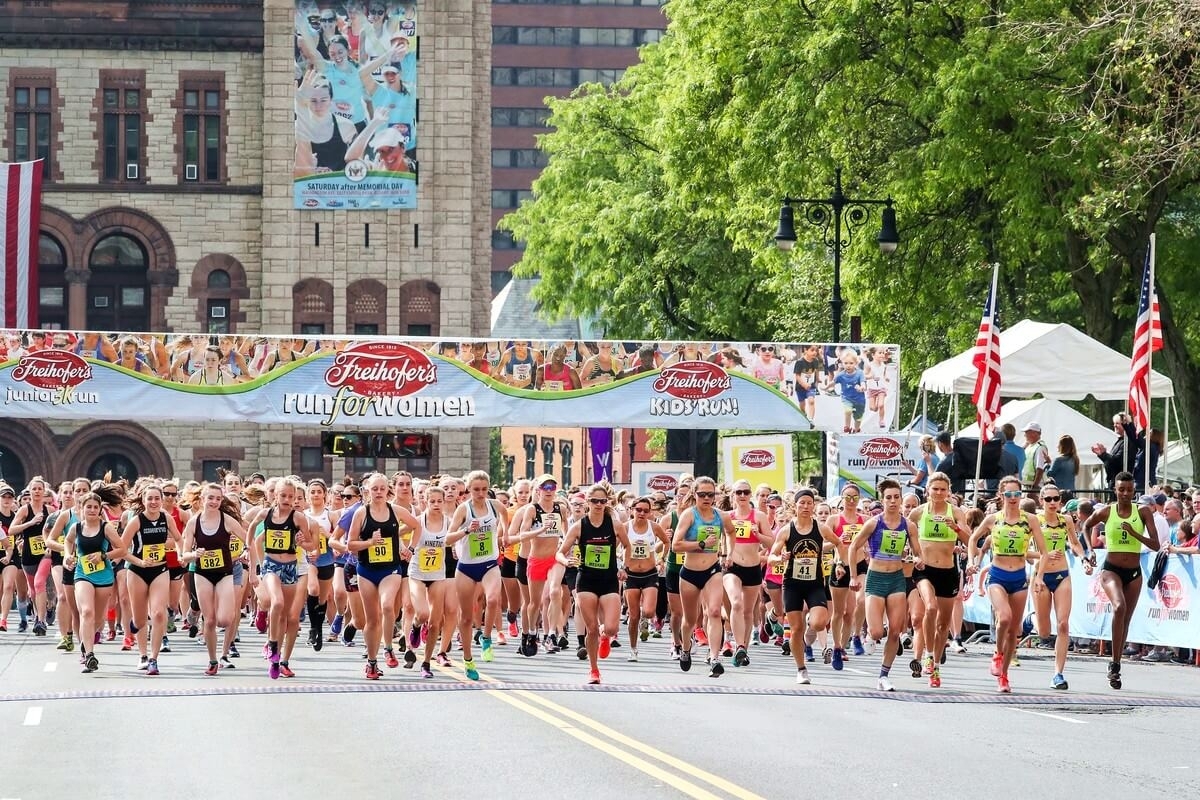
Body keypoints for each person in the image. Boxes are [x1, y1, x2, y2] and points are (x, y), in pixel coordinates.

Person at [1079, 471, 1160, 689]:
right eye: (1121, 489)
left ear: (1135, 491)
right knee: (1118, 606)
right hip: (1111, 569)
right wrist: (1090, 550)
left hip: (1134, 573)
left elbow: (1155, 545)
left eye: (1129, 490)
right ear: (1115, 490)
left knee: (1125, 619)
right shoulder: (1106, 511)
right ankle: (1114, 664)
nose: (1125, 493)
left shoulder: (1142, 511)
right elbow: (1086, 525)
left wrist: (1135, 534)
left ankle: (1116, 663)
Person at [969, 475, 1047, 693]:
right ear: (1001, 495)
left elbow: (1044, 552)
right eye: (1009, 494)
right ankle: (997, 652)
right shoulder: (993, 519)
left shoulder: (1030, 520)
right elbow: (973, 539)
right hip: (998, 575)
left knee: (1015, 629)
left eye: (1017, 494)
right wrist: (972, 560)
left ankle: (1003, 676)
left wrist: (1039, 576)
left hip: (1020, 577)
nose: (1013, 498)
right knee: (1004, 617)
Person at [848, 480, 923, 692]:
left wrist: (918, 559)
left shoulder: (908, 525)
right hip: (875, 578)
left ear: (900, 499)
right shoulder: (874, 523)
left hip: (897, 579)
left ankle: (884, 674)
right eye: (888, 497)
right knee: (877, 631)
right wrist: (854, 576)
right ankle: (869, 636)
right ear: (883, 500)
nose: (892, 501)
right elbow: (854, 547)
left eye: (896, 497)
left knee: (895, 631)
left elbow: (918, 551)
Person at [345, 473, 420, 679]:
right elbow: (350, 545)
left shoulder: (396, 511)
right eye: (374, 489)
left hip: (390, 569)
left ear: (388, 490)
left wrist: (410, 548)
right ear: (367, 491)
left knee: (387, 606)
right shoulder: (361, 513)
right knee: (372, 619)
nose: (378, 492)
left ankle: (387, 647)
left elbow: (416, 526)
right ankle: (372, 662)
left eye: (382, 489)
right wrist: (369, 543)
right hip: (367, 570)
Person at [768, 488, 846, 684]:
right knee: (796, 629)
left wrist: (839, 563)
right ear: (795, 506)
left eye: (809, 503)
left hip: (814, 583)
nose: (805, 506)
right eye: (801, 503)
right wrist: (779, 558)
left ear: (813, 505)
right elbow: (771, 557)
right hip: (792, 584)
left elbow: (839, 544)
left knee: (819, 622)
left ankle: (812, 615)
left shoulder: (820, 528)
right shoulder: (787, 530)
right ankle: (801, 669)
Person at [557, 484, 631, 684]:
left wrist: (625, 566)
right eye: (595, 501)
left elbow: (628, 546)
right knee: (590, 629)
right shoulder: (579, 526)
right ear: (588, 502)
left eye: (602, 501)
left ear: (607, 502)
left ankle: (605, 634)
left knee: (612, 627)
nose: (599, 504)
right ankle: (594, 670)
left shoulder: (614, 524)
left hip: (608, 580)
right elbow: (560, 553)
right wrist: (567, 561)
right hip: (586, 580)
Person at [907, 472, 970, 688]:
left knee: (944, 624)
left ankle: (935, 662)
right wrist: (912, 556)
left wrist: (956, 528)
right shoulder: (918, 512)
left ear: (948, 491)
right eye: (935, 489)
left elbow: (969, 539)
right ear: (928, 490)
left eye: (943, 489)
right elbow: (901, 533)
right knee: (930, 608)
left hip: (947, 571)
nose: (939, 493)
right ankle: (927, 653)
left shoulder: (957, 512)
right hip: (924, 570)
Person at [446, 470, 507, 681]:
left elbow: (505, 517)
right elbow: (447, 539)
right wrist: (465, 531)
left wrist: (504, 534)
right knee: (466, 617)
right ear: (468, 490)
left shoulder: (495, 505)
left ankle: (487, 637)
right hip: (466, 567)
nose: (480, 494)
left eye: (483, 489)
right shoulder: (463, 510)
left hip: (489, 562)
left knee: (492, 599)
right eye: (475, 490)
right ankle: (468, 660)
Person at [671, 476, 735, 677]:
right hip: (689, 573)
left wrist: (729, 553)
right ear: (694, 495)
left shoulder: (721, 516)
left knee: (715, 611)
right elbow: (675, 545)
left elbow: (731, 533)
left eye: (711, 494)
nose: (707, 498)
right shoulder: (689, 515)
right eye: (702, 494)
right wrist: (700, 545)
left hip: (712, 570)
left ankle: (714, 658)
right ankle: (686, 649)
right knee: (689, 620)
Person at [1033, 484, 1092, 690]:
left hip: (1061, 575)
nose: (1052, 503)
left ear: (1060, 501)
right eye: (1047, 499)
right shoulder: (1034, 521)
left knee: (1063, 624)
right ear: (1041, 501)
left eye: (1055, 499)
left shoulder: (1066, 520)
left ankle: (1058, 673)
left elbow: (1075, 543)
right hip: (1039, 576)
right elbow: (1024, 550)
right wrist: (1043, 556)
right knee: (1043, 631)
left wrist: (1083, 558)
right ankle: (1030, 620)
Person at [121, 484, 184, 675]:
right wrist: (140, 562)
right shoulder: (136, 521)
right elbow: (122, 550)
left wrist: (179, 552)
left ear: (161, 499)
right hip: (138, 571)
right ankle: (141, 653)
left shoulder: (166, 517)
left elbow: (179, 540)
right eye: (150, 498)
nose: (154, 502)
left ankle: (153, 659)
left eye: (157, 498)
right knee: (140, 619)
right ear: (143, 501)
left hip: (160, 569)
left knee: (158, 613)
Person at [62, 492, 126, 673]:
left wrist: (103, 555)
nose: (91, 510)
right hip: (82, 574)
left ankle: (89, 639)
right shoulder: (76, 527)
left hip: (104, 576)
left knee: (98, 620)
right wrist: (68, 555)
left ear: (99, 510)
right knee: (86, 612)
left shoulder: (106, 528)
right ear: (81, 509)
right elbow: (68, 541)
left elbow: (121, 549)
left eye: (95, 507)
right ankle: (89, 654)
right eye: (88, 506)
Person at [722, 479, 775, 668]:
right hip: (732, 567)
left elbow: (771, 544)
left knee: (747, 611)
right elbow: (721, 541)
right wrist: (724, 556)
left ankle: (742, 650)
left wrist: (758, 534)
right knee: (736, 603)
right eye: (739, 492)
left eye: (746, 492)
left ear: (750, 495)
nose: (742, 496)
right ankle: (739, 645)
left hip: (752, 568)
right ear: (733, 496)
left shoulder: (759, 517)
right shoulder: (727, 516)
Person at [621, 495, 670, 662]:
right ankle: (633, 649)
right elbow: (613, 546)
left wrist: (662, 559)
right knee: (633, 616)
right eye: (638, 510)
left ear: (650, 513)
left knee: (648, 612)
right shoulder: (625, 527)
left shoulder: (654, 527)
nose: (642, 513)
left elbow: (666, 541)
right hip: (631, 574)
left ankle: (645, 620)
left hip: (649, 573)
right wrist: (620, 563)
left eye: (645, 511)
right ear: (632, 510)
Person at [1092, 414, 1136, 490]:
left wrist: (1103, 454)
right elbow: (1111, 461)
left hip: (1122, 484)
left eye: (1117, 423)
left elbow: (1118, 461)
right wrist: (1102, 455)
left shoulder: (1128, 442)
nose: (1115, 425)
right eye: (1114, 423)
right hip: (1115, 482)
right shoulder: (1121, 441)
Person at [1021, 423, 1052, 490]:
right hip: (1027, 485)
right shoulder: (1030, 446)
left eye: (1027, 432)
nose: (1025, 435)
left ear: (1034, 433)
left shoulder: (1040, 447)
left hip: (1033, 486)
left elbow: (1040, 469)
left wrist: (1034, 487)